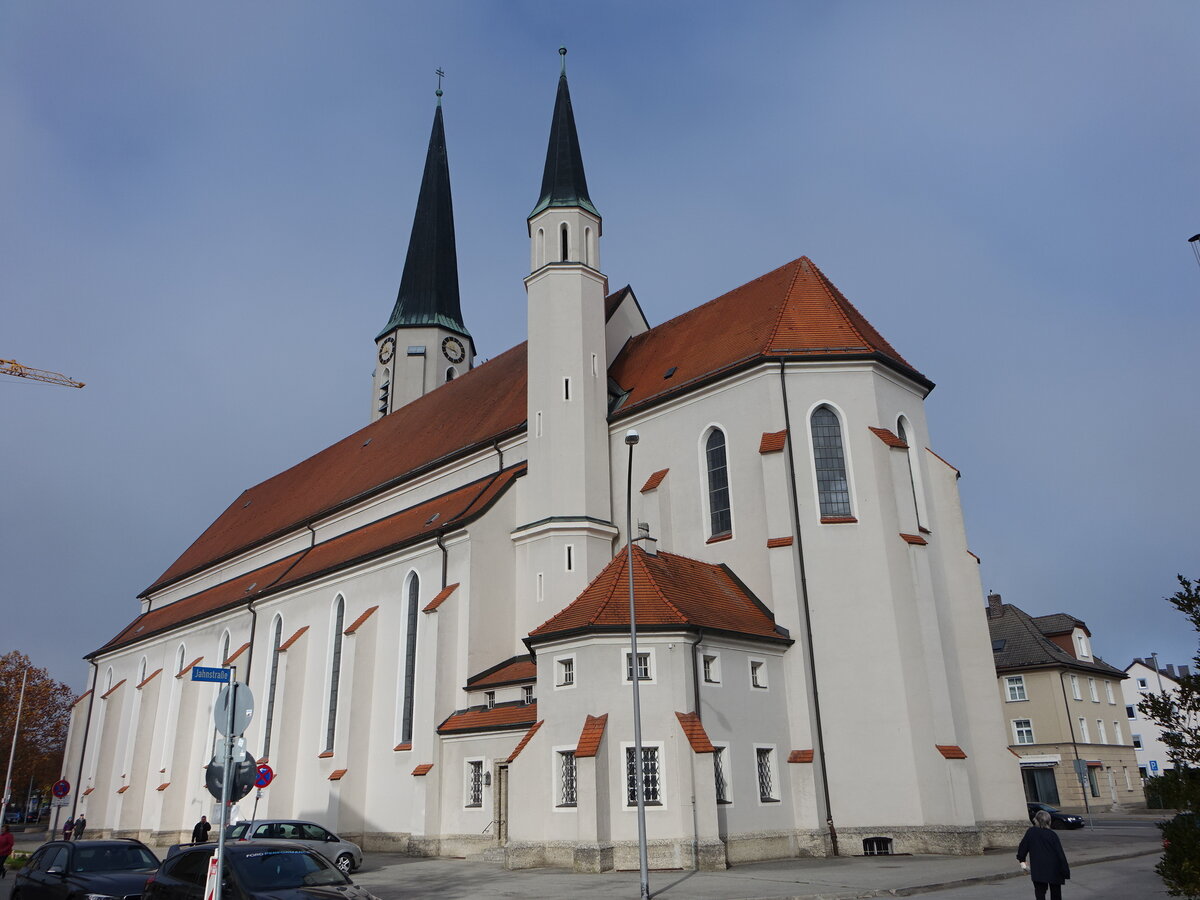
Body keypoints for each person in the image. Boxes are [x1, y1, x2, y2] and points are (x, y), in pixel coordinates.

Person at [1017, 809, 1071, 900]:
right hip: (1054, 868)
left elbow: (1022, 848)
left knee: (1040, 892)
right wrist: (1065, 870)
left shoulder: (1031, 832)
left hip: (1038, 868)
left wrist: (1022, 861)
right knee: (1056, 893)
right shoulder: (1052, 835)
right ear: (1048, 821)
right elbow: (1060, 854)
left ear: (1036, 820)